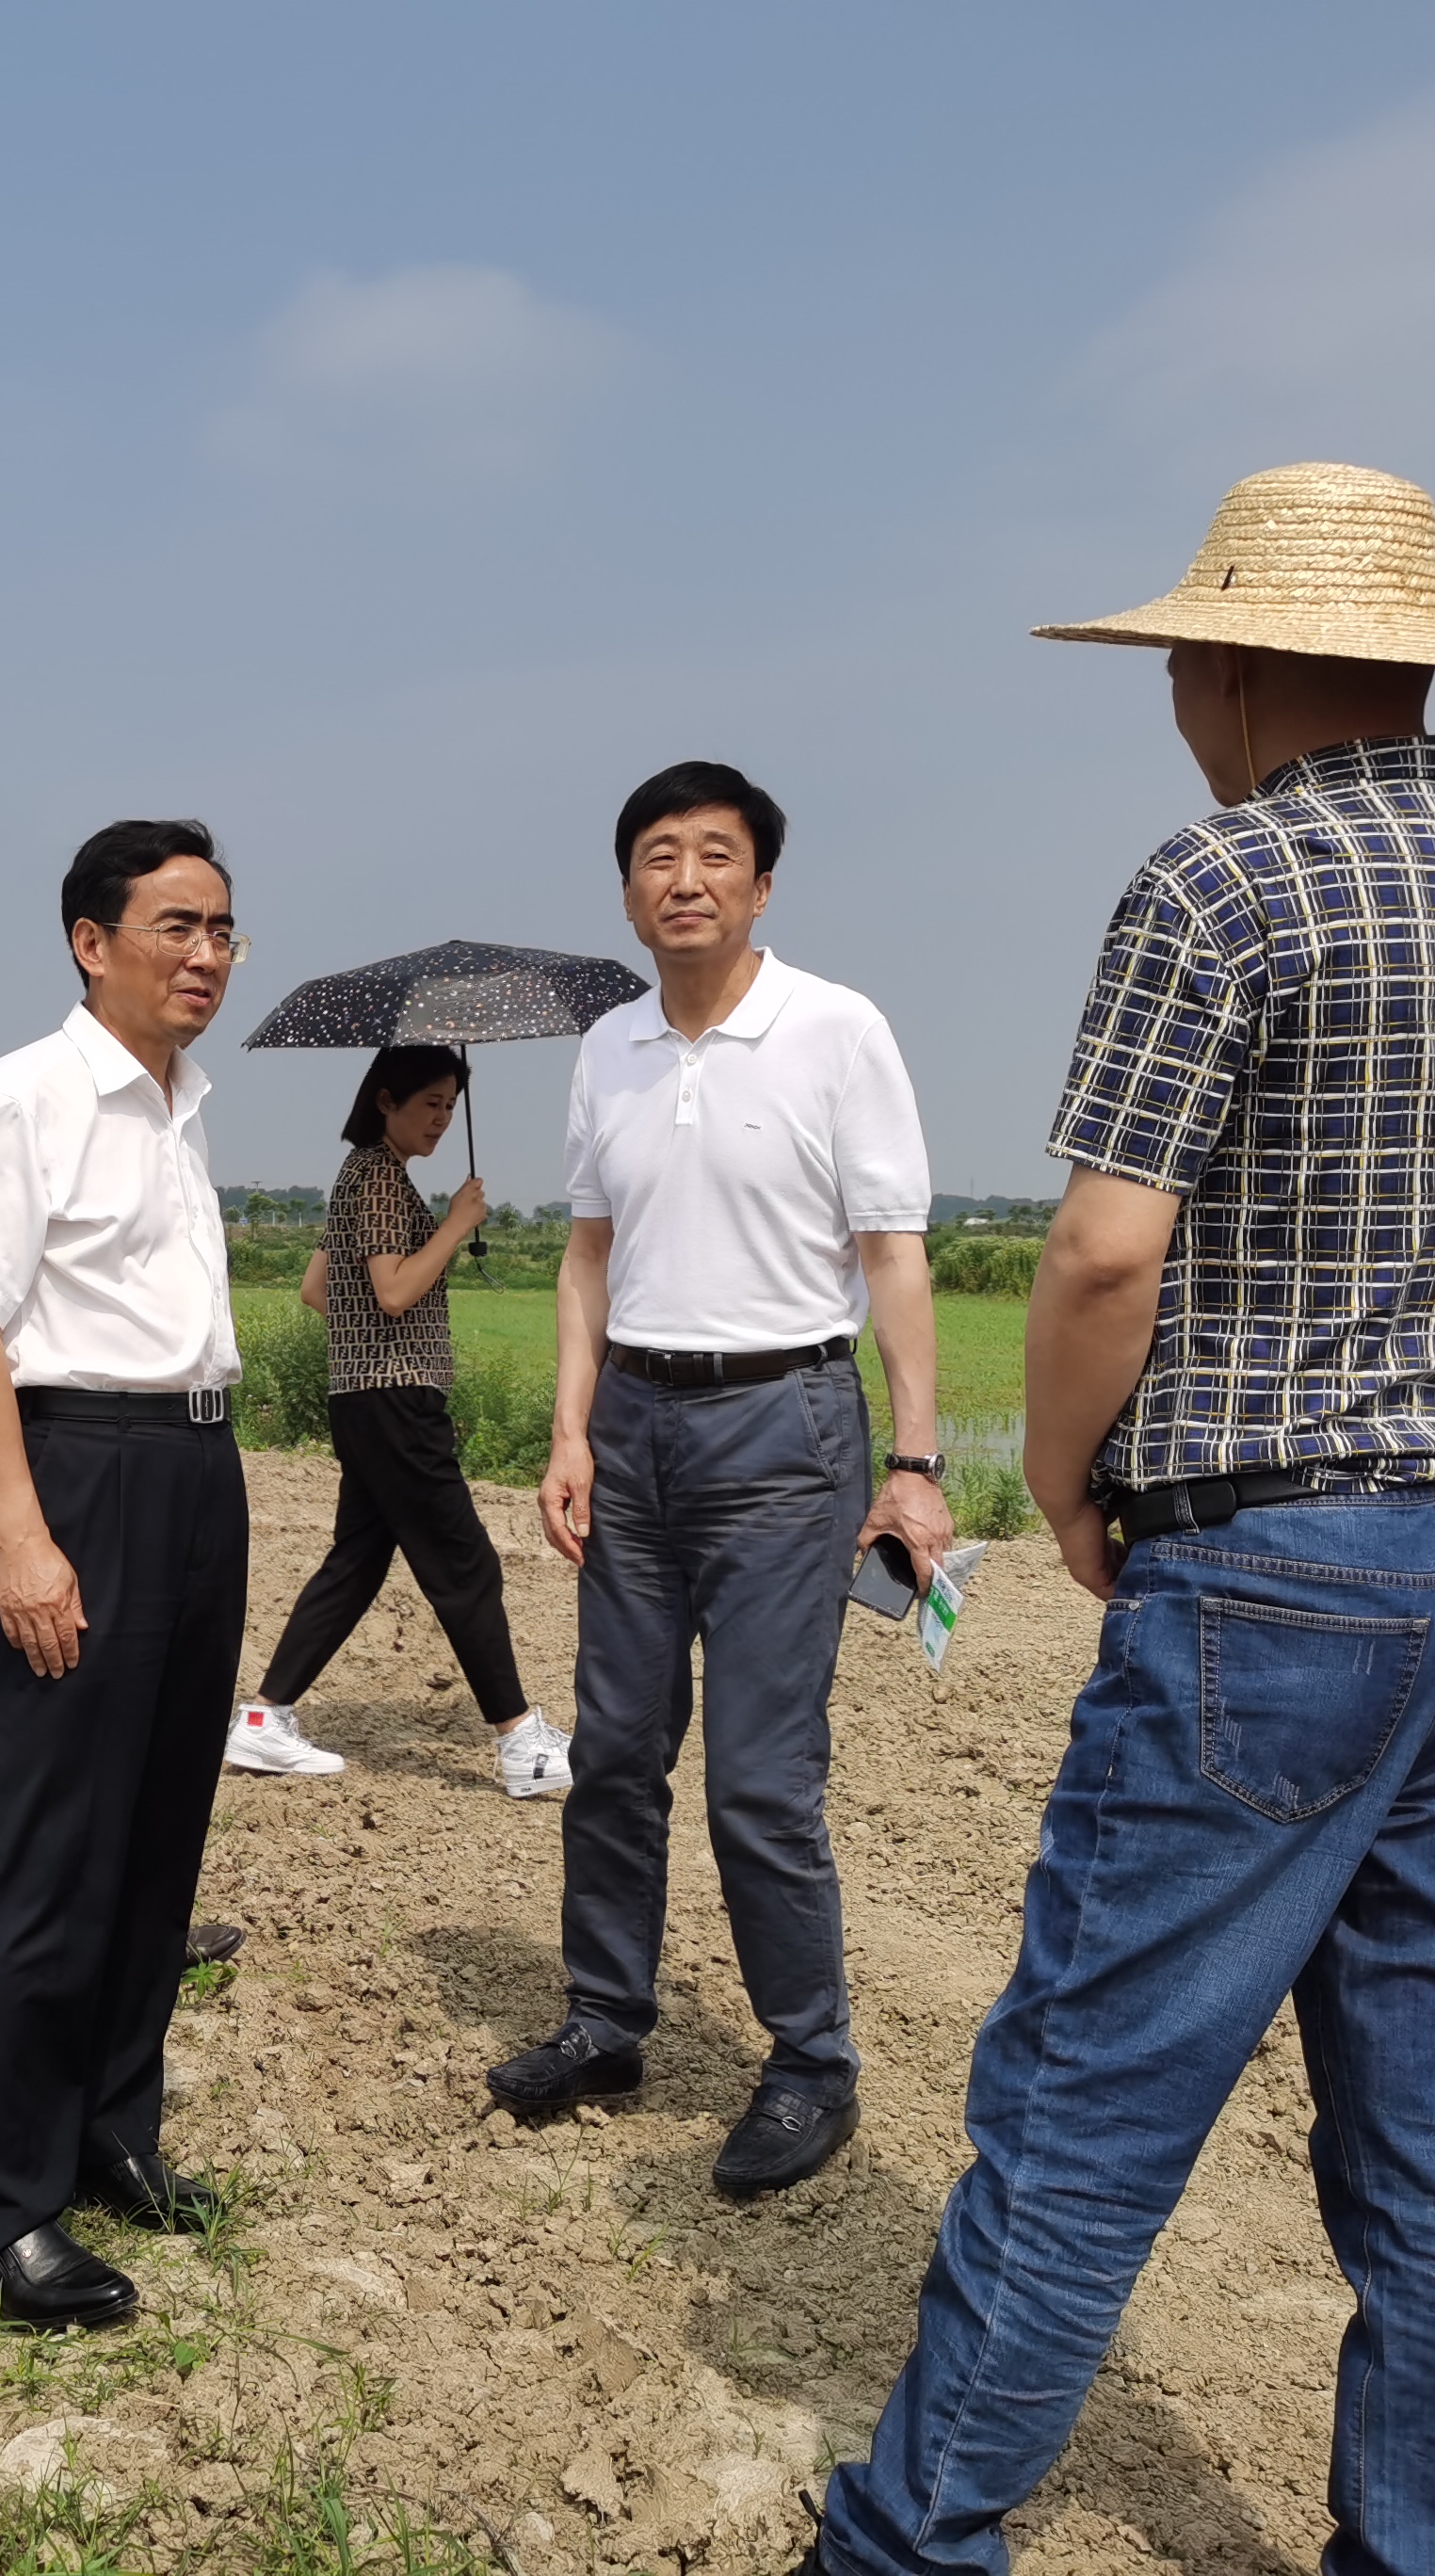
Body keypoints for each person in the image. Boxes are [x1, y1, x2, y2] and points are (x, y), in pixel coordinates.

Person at [809, 462, 1435, 2576]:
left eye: (1185, 657)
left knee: (1087, 2098)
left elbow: (1104, 1250)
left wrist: (1065, 1481)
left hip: (1270, 1567)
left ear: (1246, 663)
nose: (1178, 693)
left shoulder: (1222, 882)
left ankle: (908, 2546)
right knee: (1434, 2142)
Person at [484, 760, 950, 2204]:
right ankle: (606, 2020)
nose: (683, 880)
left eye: (713, 854)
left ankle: (811, 2061)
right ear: (628, 891)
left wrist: (916, 1462)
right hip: (634, 1428)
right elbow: (588, 1255)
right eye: (657, 857)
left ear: (761, 883)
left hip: (784, 1429)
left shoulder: (835, 1030)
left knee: (759, 1777)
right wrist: (570, 1432)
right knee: (616, 1750)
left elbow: (893, 1256)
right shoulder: (609, 1047)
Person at [0, 818, 250, 2330]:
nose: (207, 955)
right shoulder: (24, 1097)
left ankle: (111, 2130)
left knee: (157, 1834)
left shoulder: (180, 1107)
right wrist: (24, 1535)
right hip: (78, 1476)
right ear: (89, 943)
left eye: (224, 929)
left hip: (196, 1470)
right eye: (177, 925)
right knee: (43, 1850)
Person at [227, 1044, 575, 1795]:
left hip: (362, 1399)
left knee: (356, 1564)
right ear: (385, 1101)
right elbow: (391, 1292)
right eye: (429, 1104)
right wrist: (455, 1225)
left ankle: (263, 1718)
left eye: (451, 1106)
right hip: (396, 1401)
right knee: (466, 1564)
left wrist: (371, 1337)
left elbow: (317, 1288)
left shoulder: (356, 1175)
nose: (442, 1119)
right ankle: (520, 1741)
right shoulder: (382, 1178)